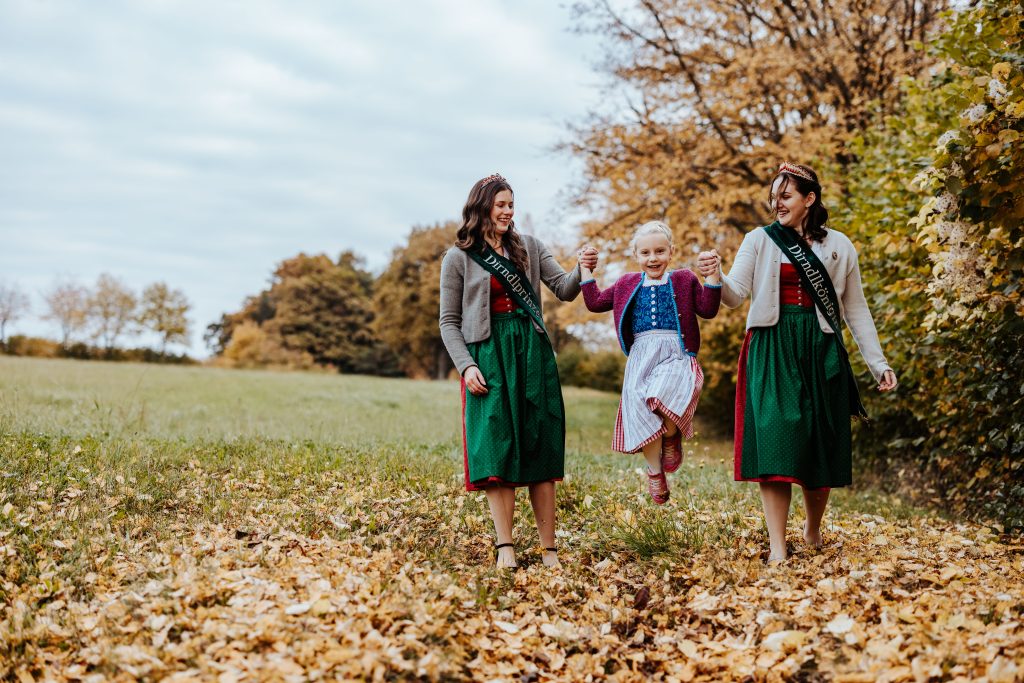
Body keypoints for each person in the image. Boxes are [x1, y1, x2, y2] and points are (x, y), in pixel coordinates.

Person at [699, 162, 898, 563]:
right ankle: (777, 546)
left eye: (785, 196)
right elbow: (735, 296)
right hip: (772, 346)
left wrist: (878, 364)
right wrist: (716, 276)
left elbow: (855, 310)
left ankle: (812, 528)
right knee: (777, 436)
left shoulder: (840, 245)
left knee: (818, 440)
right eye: (774, 197)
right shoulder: (759, 239)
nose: (777, 203)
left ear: (809, 199)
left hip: (821, 347)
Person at [439, 172, 598, 569]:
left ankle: (549, 550)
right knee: (497, 448)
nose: (508, 211)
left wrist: (582, 268)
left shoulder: (530, 246)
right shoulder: (458, 257)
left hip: (532, 353)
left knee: (540, 443)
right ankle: (505, 547)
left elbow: (564, 288)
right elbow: (448, 322)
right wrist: (466, 366)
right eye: (501, 204)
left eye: (511, 204)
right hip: (487, 356)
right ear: (482, 208)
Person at [579, 221, 721, 504]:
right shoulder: (626, 283)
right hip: (641, 356)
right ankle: (655, 472)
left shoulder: (684, 279)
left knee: (661, 395)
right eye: (645, 253)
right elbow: (595, 302)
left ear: (671, 252)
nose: (652, 258)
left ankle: (671, 435)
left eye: (659, 251)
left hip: (675, 353)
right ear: (636, 255)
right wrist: (585, 269)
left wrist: (713, 275)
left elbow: (707, 308)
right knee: (641, 407)